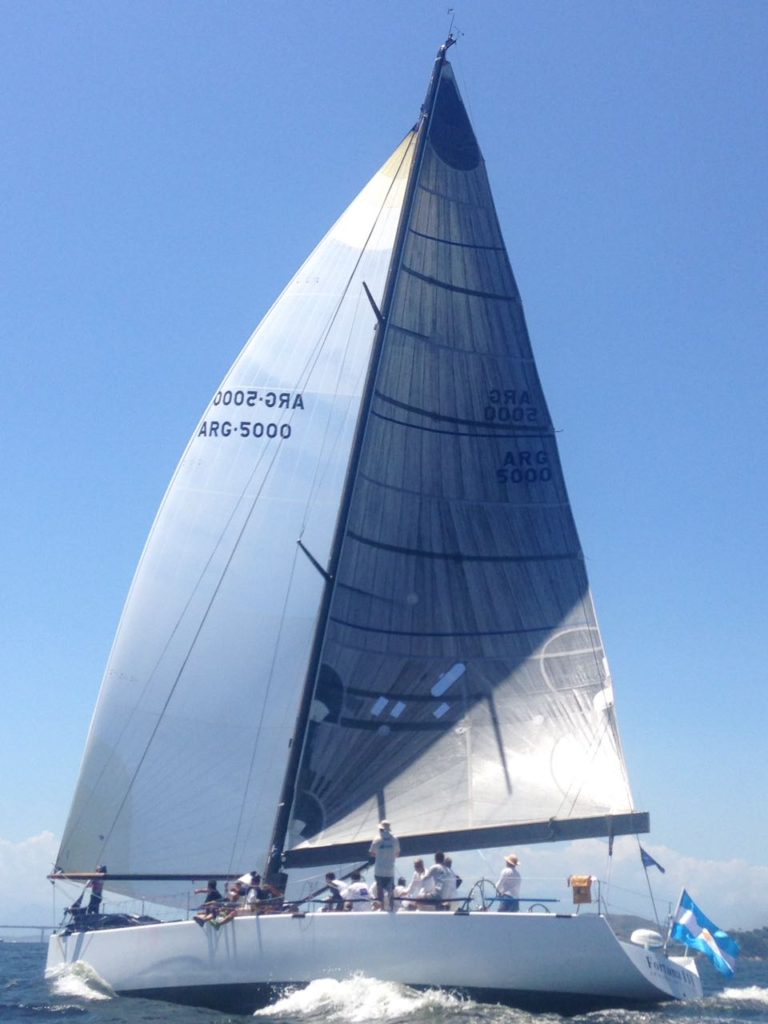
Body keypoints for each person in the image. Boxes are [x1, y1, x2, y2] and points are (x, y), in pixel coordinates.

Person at [369, 820, 400, 911]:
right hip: (390, 870)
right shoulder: (394, 839)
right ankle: (391, 908)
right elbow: (397, 853)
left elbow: (372, 853)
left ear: (381, 829)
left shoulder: (377, 839)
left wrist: (381, 854)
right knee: (390, 891)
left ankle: (381, 909)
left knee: (380, 891)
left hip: (379, 870)